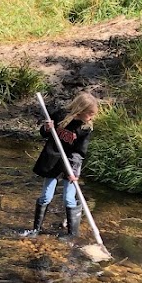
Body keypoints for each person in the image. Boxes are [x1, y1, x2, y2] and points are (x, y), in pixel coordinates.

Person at [25, 92, 99, 239]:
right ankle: (36, 229)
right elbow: (44, 133)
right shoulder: (60, 116)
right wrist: (47, 128)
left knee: (68, 198)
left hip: (70, 165)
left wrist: (73, 172)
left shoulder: (85, 129)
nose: (91, 118)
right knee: (46, 196)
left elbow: (79, 153)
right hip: (52, 162)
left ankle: (72, 234)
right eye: (90, 114)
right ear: (81, 110)